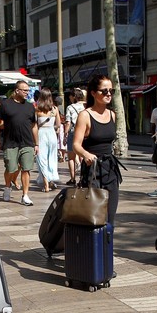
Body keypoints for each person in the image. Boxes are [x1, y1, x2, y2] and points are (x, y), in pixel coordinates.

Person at [73, 74, 123, 231]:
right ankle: (92, 252)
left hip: (110, 169)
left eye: (111, 91)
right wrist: (86, 154)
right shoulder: (85, 115)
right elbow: (76, 145)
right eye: (104, 91)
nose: (108, 94)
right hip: (93, 170)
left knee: (110, 216)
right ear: (93, 93)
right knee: (94, 215)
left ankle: (106, 252)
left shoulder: (113, 114)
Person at [0, 80, 38, 206]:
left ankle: (25, 195)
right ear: (17, 90)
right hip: (10, 142)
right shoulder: (6, 104)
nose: (27, 93)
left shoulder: (30, 106)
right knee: (10, 168)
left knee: (26, 169)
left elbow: (34, 126)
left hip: (27, 142)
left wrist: (37, 143)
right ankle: (7, 187)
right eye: (24, 90)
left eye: (28, 90)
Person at [35, 88, 61, 192]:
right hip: (52, 134)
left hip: (41, 133)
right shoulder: (55, 109)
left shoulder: (37, 109)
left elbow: (35, 125)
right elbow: (58, 124)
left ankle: (46, 185)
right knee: (52, 158)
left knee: (42, 159)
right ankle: (51, 181)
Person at [65, 88, 85, 185]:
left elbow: (68, 123)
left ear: (74, 97)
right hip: (85, 133)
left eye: (70, 96)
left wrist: (65, 134)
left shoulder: (70, 107)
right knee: (83, 156)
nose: (69, 98)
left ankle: (73, 179)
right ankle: (83, 178)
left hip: (74, 132)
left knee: (71, 157)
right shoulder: (86, 106)